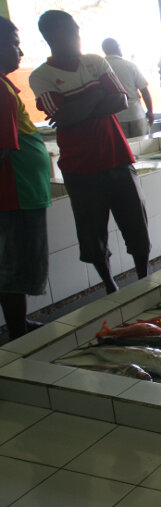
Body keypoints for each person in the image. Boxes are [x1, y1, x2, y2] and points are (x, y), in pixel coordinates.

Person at [29, 10, 150, 294]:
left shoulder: (96, 62)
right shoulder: (41, 77)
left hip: (117, 157)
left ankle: (145, 278)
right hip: (80, 169)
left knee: (136, 224)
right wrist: (97, 93)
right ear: (53, 36)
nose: (77, 35)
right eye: (71, 30)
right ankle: (110, 286)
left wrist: (80, 106)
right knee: (92, 234)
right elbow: (64, 116)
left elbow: (119, 100)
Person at [0, 17, 51, 340]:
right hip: (14, 193)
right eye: (12, 43)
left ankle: (20, 323)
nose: (19, 51)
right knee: (13, 265)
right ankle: (17, 330)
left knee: (15, 263)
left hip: (23, 190)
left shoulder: (5, 85)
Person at [101, 38, 153, 138]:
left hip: (115, 118)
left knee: (122, 151)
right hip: (136, 114)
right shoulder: (130, 65)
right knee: (143, 149)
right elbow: (144, 90)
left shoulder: (101, 68)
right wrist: (150, 111)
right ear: (118, 48)